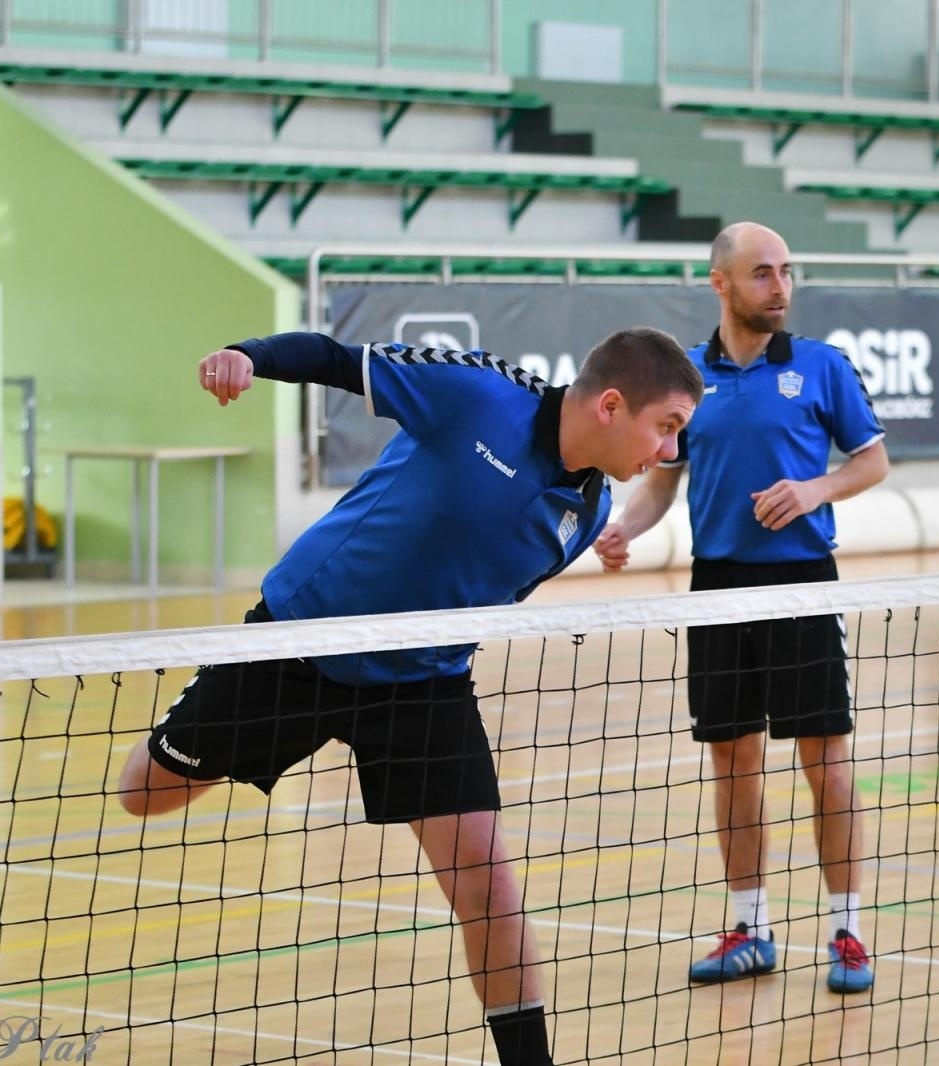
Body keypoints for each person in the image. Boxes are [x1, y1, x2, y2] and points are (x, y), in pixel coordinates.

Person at [114, 328, 703, 1066]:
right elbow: (338, 360)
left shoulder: (582, 515)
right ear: (611, 405)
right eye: (666, 427)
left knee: (487, 885)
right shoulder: (479, 395)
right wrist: (248, 357)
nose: (669, 452)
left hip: (422, 684)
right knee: (142, 793)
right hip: (299, 644)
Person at [592, 222, 888, 994]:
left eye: (786, 271)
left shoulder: (822, 366)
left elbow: (872, 460)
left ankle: (849, 931)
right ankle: (750, 929)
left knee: (825, 758)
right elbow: (664, 476)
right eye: (763, 273)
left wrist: (814, 490)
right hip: (718, 588)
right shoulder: (688, 377)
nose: (780, 286)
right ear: (720, 282)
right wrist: (626, 526)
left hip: (803, 583)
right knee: (733, 760)